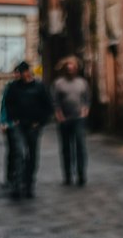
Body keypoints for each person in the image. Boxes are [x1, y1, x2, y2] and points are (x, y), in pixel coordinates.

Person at [2, 60, 54, 198]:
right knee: (19, 153)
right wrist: (13, 119)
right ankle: (17, 184)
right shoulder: (14, 87)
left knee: (32, 155)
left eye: (23, 72)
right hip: (18, 126)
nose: (22, 75)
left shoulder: (39, 87)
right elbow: (8, 104)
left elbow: (48, 107)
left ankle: (29, 184)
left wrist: (40, 122)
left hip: (34, 127)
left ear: (28, 72)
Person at [52, 55, 91, 186]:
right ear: (65, 68)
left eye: (72, 65)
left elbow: (87, 99)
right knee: (66, 149)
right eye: (68, 65)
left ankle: (81, 174)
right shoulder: (59, 83)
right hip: (64, 120)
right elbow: (55, 102)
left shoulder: (82, 83)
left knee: (80, 147)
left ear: (76, 68)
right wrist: (59, 115)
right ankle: (68, 175)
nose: (70, 67)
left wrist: (85, 110)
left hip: (78, 119)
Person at [0, 65, 21, 188]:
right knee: (12, 151)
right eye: (16, 73)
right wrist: (3, 122)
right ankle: (10, 176)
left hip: (23, 124)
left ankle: (19, 176)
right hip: (10, 124)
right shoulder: (10, 87)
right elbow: (4, 105)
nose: (17, 75)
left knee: (19, 151)